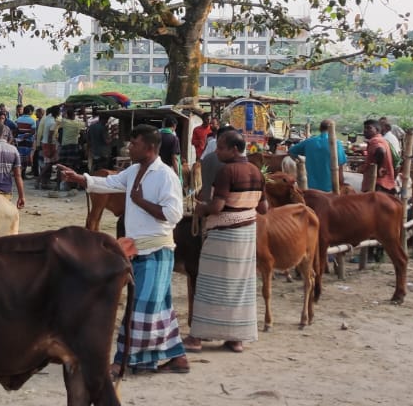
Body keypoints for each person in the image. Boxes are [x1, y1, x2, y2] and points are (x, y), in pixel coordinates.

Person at [57, 126, 188, 377]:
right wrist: (79, 178)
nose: (130, 147)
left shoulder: (166, 176)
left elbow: (173, 215)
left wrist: (140, 202)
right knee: (158, 306)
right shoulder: (134, 170)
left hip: (157, 250)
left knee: (140, 307)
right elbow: (110, 182)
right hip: (136, 248)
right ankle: (177, 357)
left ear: (149, 147)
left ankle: (123, 360)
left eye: (134, 143)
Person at [184, 130, 263, 353]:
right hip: (247, 234)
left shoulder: (226, 171)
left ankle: (197, 337)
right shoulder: (256, 171)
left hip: (223, 235)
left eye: (220, 148)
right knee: (240, 288)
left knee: (209, 285)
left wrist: (202, 208)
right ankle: (236, 339)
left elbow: (217, 206)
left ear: (234, 150)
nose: (216, 152)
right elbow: (264, 207)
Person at [287, 121, 337, 192]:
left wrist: (299, 160)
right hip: (331, 190)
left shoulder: (309, 142)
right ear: (333, 130)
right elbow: (340, 171)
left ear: (320, 129)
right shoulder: (337, 144)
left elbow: (290, 151)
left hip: (311, 190)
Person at [360, 119, 397, 194]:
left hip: (378, 183)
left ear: (377, 130)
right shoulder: (382, 139)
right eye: (365, 128)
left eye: (369, 128)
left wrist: (378, 168)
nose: (365, 130)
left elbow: (380, 151)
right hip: (384, 182)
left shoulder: (375, 141)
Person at [35, 106, 60, 187]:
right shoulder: (53, 122)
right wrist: (50, 148)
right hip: (50, 144)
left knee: (48, 164)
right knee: (50, 164)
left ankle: (43, 181)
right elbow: (50, 136)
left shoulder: (47, 119)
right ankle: (40, 180)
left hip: (44, 143)